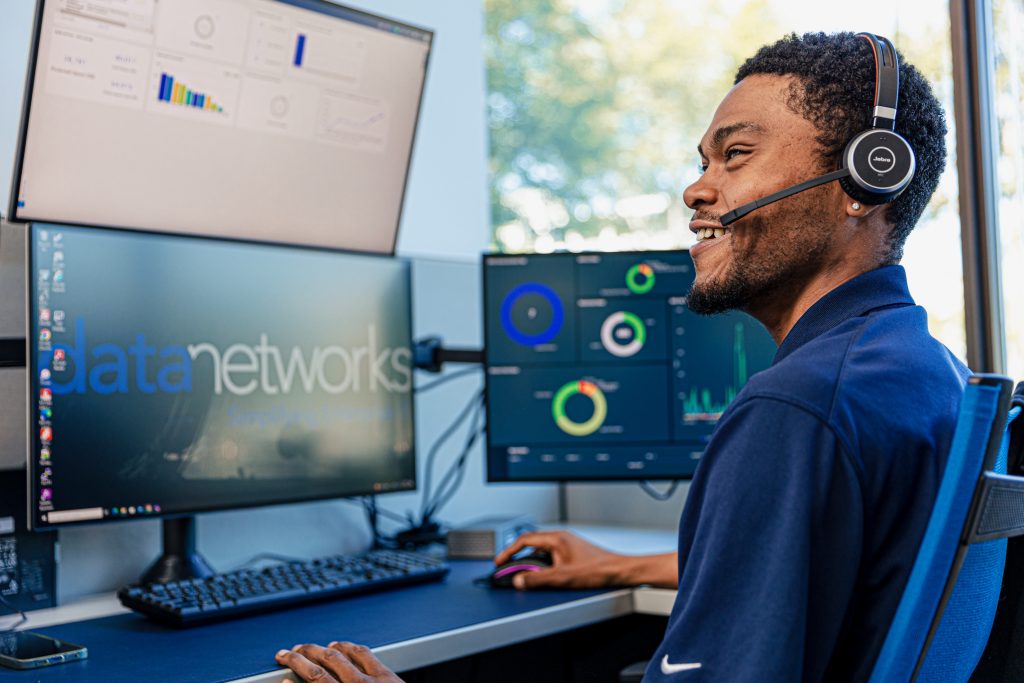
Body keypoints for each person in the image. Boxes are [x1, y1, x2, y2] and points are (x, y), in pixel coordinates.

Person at [275, 31, 963, 683]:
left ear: (863, 181)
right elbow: (848, 563)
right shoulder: (926, 371)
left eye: (736, 155)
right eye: (702, 162)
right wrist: (627, 565)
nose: (696, 189)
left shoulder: (794, 410)